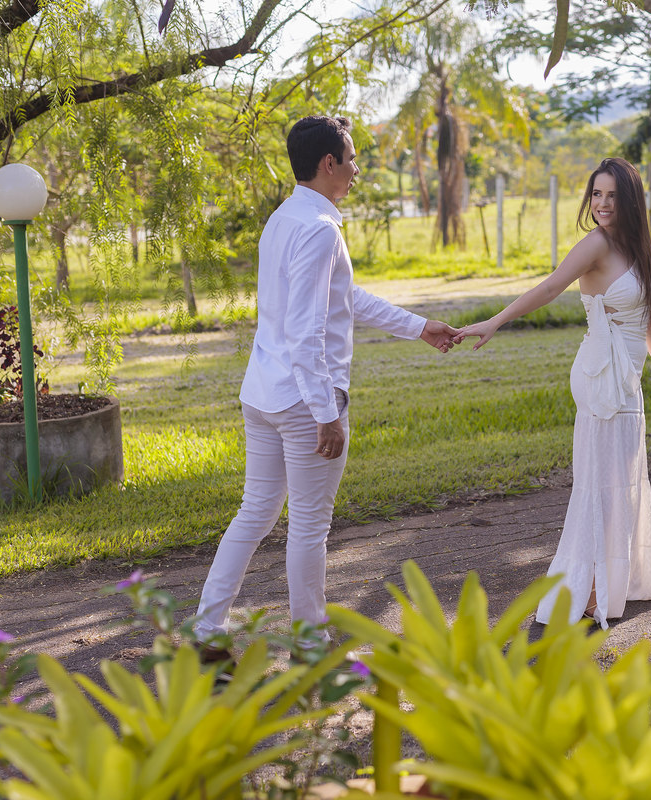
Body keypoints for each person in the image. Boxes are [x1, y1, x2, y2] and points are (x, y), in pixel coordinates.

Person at [196, 115, 458, 661]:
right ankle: (311, 646)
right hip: (301, 400)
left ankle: (205, 633)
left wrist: (418, 327)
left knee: (255, 512)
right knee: (309, 526)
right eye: (353, 158)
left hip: (263, 393)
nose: (358, 169)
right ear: (328, 164)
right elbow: (306, 329)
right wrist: (324, 412)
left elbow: (345, 300)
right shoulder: (319, 228)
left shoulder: (285, 219)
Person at [455, 157, 651, 628]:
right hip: (600, 376)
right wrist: (495, 322)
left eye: (611, 195)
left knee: (623, 479)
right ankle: (587, 589)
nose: (601, 204)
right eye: (596, 194)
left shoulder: (635, 248)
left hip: (628, 379)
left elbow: (642, 319)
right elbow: (549, 288)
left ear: (628, 200)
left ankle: (616, 579)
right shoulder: (596, 245)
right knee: (601, 483)